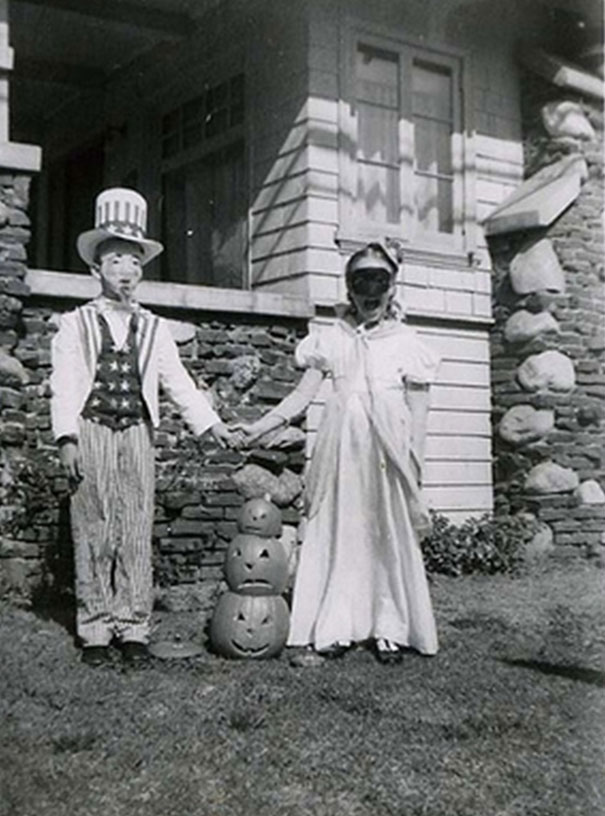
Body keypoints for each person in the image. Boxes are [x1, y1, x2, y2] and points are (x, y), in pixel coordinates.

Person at [50, 187, 239, 667]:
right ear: (96, 269)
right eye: (115, 261)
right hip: (91, 428)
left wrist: (211, 425)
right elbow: (66, 385)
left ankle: (133, 626)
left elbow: (178, 383)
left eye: (134, 262)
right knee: (93, 524)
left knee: (134, 525)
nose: (126, 272)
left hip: (137, 431)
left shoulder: (154, 329)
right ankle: (95, 630)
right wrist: (67, 439)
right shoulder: (75, 325)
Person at [237, 242, 440, 664]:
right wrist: (258, 428)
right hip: (342, 449)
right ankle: (338, 624)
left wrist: (414, 464)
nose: (371, 292)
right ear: (349, 289)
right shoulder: (331, 338)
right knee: (343, 530)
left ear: (392, 288)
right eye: (361, 281)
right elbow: (301, 396)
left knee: (385, 532)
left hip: (388, 452)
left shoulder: (407, 341)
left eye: (379, 281)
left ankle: (390, 627)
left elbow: (419, 410)